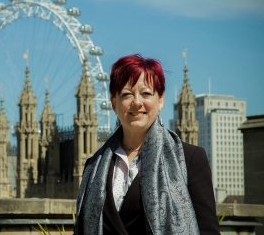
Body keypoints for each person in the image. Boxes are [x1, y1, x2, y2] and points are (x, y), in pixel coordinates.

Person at [74, 54, 220, 235]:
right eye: (127, 94)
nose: (137, 102)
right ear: (114, 103)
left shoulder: (190, 159)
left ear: (160, 101)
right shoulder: (94, 166)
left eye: (146, 93)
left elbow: (207, 230)